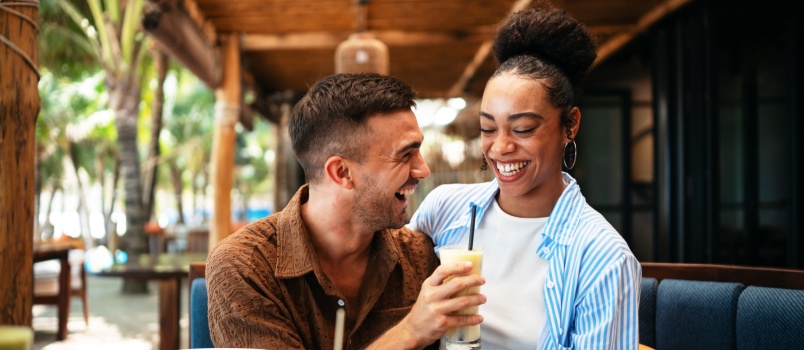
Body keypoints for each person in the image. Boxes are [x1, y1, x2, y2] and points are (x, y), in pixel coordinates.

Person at [408, 3, 641, 349]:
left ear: (570, 124)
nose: (500, 148)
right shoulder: (444, 210)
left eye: (523, 128)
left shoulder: (603, 258)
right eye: (488, 128)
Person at [206, 73, 486, 349]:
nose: (423, 170)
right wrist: (409, 331)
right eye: (405, 154)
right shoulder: (244, 266)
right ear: (341, 172)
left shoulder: (420, 257)